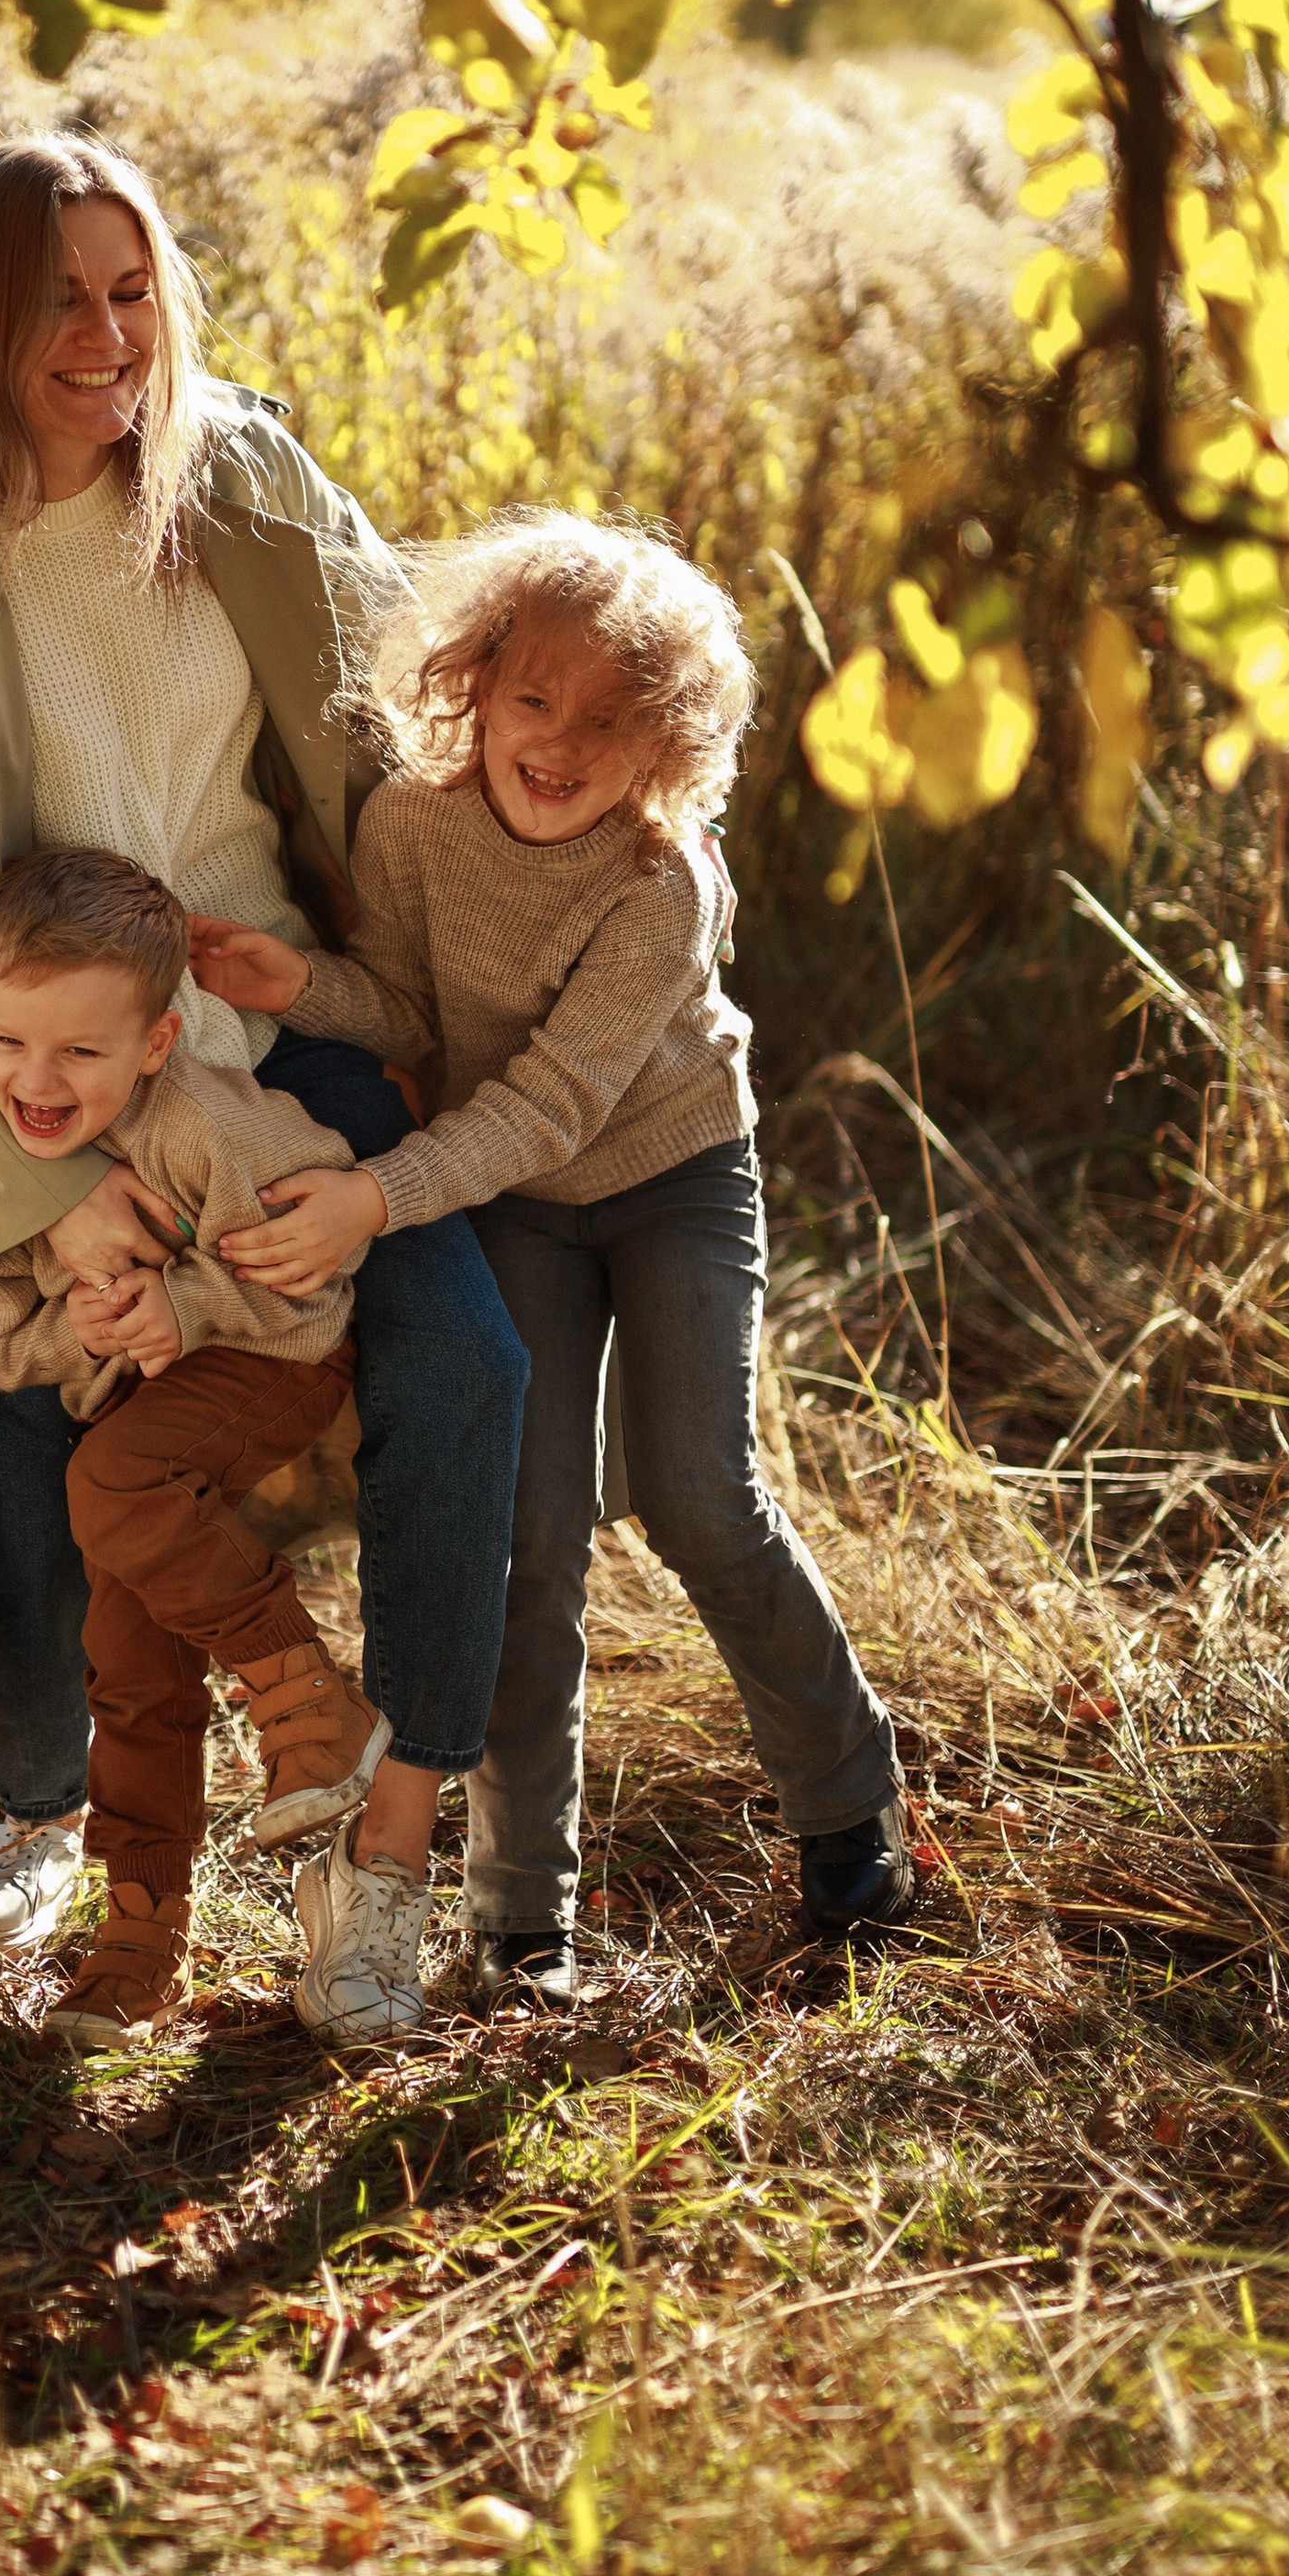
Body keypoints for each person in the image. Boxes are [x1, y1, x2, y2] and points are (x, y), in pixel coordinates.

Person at [0, 132, 529, 2044]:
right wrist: (54, 1183)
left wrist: (550, 909)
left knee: (462, 1364)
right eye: (56, 306)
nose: (106, 337)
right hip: (35, 1062)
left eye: (130, 290)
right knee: (16, 1428)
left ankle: (393, 1843)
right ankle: (44, 1812)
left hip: (291, 1021)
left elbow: (405, 700)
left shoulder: (240, 470)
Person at [192, 509, 918, 2017]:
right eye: (535, 699)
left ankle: (852, 1811)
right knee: (527, 1530)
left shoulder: (662, 885)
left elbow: (556, 1099)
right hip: (505, 1193)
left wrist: (377, 1201)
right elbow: (410, 1005)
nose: (562, 741)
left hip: (666, 1174)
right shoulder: (412, 826)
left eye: (611, 719)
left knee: (698, 1493)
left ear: (666, 743)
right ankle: (522, 1916)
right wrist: (303, 982)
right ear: (476, 686)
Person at [0, 842, 387, 2049]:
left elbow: (317, 1280)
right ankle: (139, 1941)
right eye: (10, 1043)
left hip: (271, 1362)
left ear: (155, 1046)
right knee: (124, 1653)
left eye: (82, 1052)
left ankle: (306, 1698)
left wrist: (189, 1309)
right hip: (130, 1423)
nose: (38, 1080)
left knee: (107, 1476)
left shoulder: (206, 1128)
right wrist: (77, 1334)